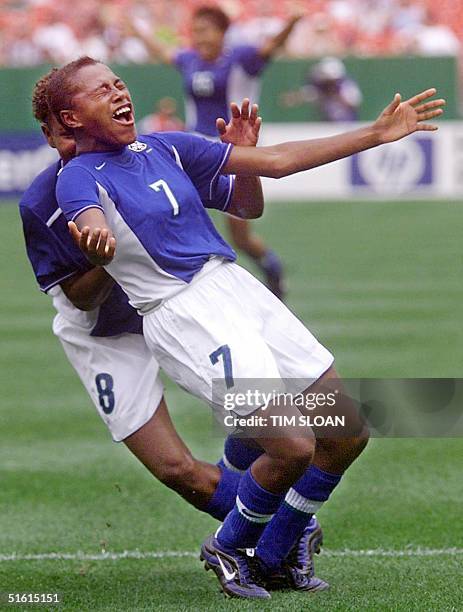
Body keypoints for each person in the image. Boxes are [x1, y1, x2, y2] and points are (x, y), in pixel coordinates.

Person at [50, 56, 444, 599]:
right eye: (101, 91)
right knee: (292, 446)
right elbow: (86, 219)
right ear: (71, 118)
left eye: (119, 84)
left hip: (238, 291)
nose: (120, 94)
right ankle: (230, 546)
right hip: (185, 315)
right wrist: (95, 238)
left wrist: (375, 134)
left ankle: (278, 553)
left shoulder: (165, 147)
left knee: (346, 431)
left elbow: (275, 164)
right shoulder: (76, 177)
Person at [22, 68, 329, 595]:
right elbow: (81, 297)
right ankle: (279, 526)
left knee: (290, 429)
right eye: (60, 131)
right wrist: (110, 255)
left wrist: (245, 162)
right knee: (174, 468)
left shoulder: (145, 156)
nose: (71, 141)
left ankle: (272, 532)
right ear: (54, 131)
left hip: (180, 310)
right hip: (106, 334)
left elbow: (245, 205)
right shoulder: (45, 202)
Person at [130, 5, 304, 300]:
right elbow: (164, 52)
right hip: (193, 153)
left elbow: (271, 47)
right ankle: (188, 284)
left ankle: (272, 267)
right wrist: (138, 31)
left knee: (240, 234)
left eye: (205, 30)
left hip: (231, 152)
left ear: (222, 32)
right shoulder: (189, 60)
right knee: (173, 213)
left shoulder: (240, 59)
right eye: (195, 31)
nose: (198, 37)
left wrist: (292, 22)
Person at [281, 57, 362, 122]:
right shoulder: (320, 88)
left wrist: (335, 95)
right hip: (327, 124)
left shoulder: (346, 86)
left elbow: (353, 103)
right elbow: (302, 96)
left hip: (346, 123)